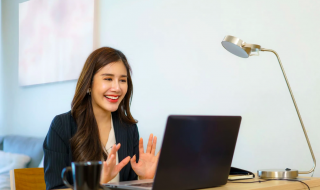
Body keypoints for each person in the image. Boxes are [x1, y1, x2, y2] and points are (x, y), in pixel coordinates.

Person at [43, 47, 159, 190]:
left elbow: (128, 186)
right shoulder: (62, 126)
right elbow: (55, 187)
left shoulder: (128, 129)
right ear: (89, 84)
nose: (117, 88)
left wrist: (145, 180)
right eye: (108, 79)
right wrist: (94, 184)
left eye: (123, 80)